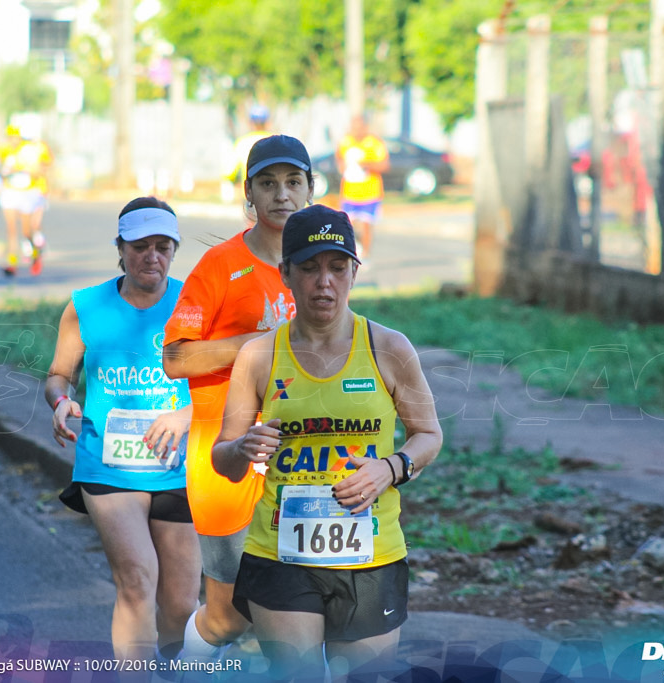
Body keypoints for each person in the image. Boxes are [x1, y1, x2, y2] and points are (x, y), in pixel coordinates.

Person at [212, 203, 442, 680]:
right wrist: (242, 449)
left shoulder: (389, 348)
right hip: (281, 551)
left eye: (338, 268)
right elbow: (225, 458)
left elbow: (428, 435)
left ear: (354, 272)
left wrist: (391, 468)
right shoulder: (258, 356)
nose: (324, 283)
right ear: (285, 274)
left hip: (371, 551)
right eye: (310, 268)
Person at [163, 134, 313, 662]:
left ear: (310, 190)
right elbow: (175, 358)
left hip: (302, 462)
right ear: (249, 193)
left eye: (294, 182)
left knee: (304, 604)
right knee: (229, 614)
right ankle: (186, 665)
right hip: (227, 459)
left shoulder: (317, 268)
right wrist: (255, 344)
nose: (282, 195)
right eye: (268, 184)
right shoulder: (221, 266)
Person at [45, 196, 201, 665]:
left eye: (162, 246)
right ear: (120, 248)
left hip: (179, 467)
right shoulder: (85, 306)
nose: (151, 256)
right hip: (108, 465)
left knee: (179, 603)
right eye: (139, 247)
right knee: (137, 580)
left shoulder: (195, 304)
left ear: (174, 249)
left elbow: (230, 385)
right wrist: (60, 401)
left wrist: (186, 416)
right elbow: (58, 374)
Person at [0, 124, 52, 276]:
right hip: (10, 191)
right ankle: (12, 262)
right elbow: (0, 169)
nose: (13, 140)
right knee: (11, 229)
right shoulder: (5, 150)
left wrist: (20, 169)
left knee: (26, 231)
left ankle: (35, 253)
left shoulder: (29, 151)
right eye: (10, 137)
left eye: (15, 136)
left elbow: (38, 171)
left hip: (27, 193)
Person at [336, 114, 389, 264]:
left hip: (369, 192)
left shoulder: (374, 142)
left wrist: (366, 164)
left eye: (359, 127)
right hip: (349, 192)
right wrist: (341, 165)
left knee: (366, 226)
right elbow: (339, 156)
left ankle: (365, 256)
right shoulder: (346, 141)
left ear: (365, 127)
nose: (356, 130)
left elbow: (384, 165)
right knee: (348, 226)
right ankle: (350, 254)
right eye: (353, 127)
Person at [221, 105, 271, 202]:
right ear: (267, 123)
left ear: (250, 123)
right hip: (274, 196)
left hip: (251, 196)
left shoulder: (242, 142)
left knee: (252, 217)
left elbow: (229, 172)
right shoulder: (275, 140)